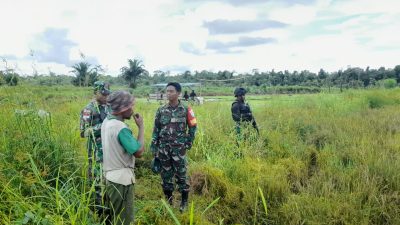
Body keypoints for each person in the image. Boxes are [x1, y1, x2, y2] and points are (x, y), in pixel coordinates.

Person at [151, 82, 197, 212]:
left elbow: (193, 126)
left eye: (171, 91)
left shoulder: (186, 109)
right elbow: (156, 129)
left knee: (181, 175)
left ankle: (184, 202)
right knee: (165, 175)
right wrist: (154, 145)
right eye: (167, 91)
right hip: (163, 149)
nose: (168, 93)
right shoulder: (161, 110)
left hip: (179, 149)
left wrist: (188, 141)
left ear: (178, 93)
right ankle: (169, 202)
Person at [101, 91, 145, 225]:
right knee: (124, 220)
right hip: (122, 181)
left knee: (113, 215)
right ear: (122, 109)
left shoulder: (107, 121)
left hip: (109, 176)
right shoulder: (121, 128)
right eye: (130, 107)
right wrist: (141, 127)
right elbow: (139, 152)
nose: (132, 110)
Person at [79, 81, 111, 214]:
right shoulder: (88, 109)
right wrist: (103, 127)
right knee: (98, 180)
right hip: (96, 151)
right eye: (103, 94)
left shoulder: (109, 107)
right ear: (96, 92)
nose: (105, 96)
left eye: (107, 94)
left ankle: (110, 206)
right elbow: (83, 132)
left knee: (110, 178)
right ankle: (100, 210)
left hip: (110, 149)